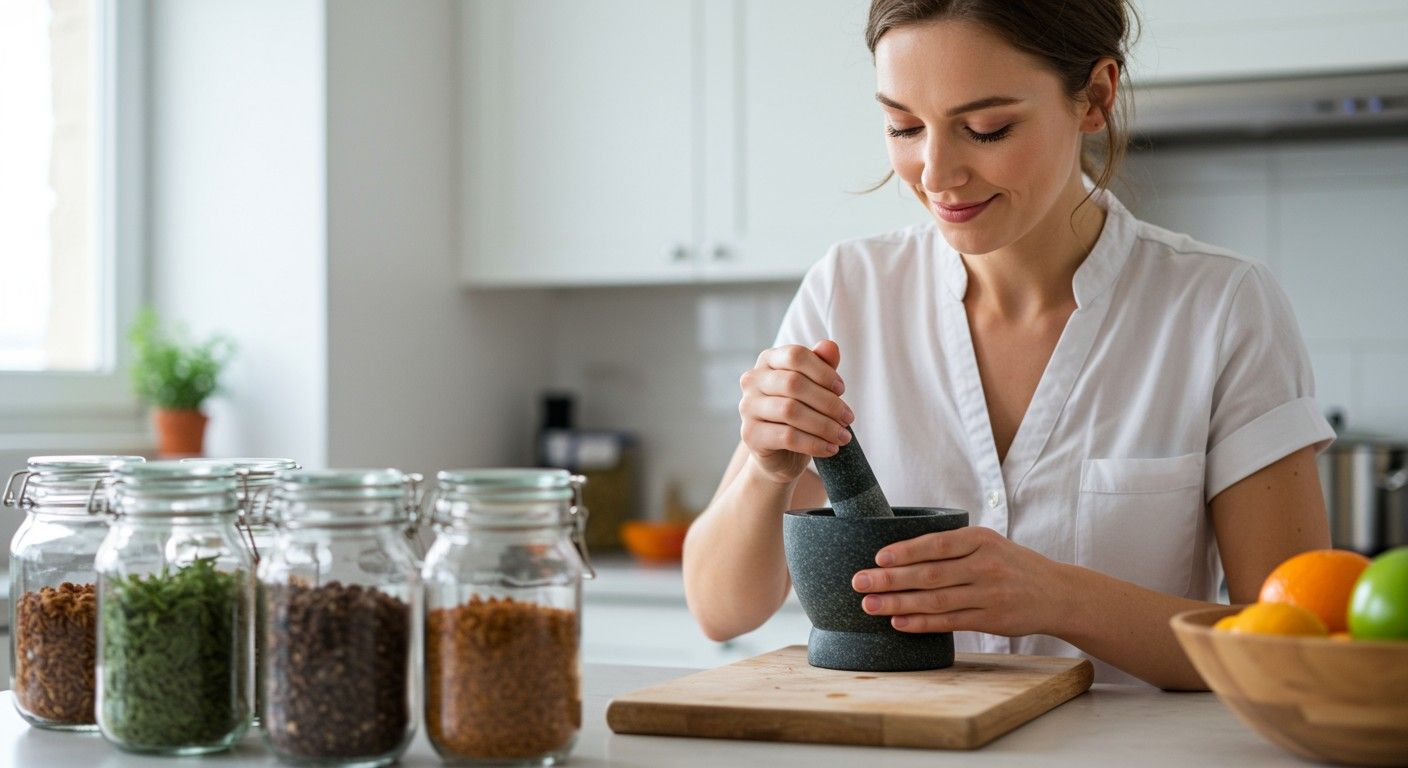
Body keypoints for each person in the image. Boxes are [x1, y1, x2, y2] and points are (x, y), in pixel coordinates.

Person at [682, 0, 1334, 689]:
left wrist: (1059, 598)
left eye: (986, 129)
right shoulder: (847, 290)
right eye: (903, 125)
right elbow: (720, 610)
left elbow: (1294, 655)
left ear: (1096, 96)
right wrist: (765, 469)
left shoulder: (1221, 307)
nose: (936, 174)